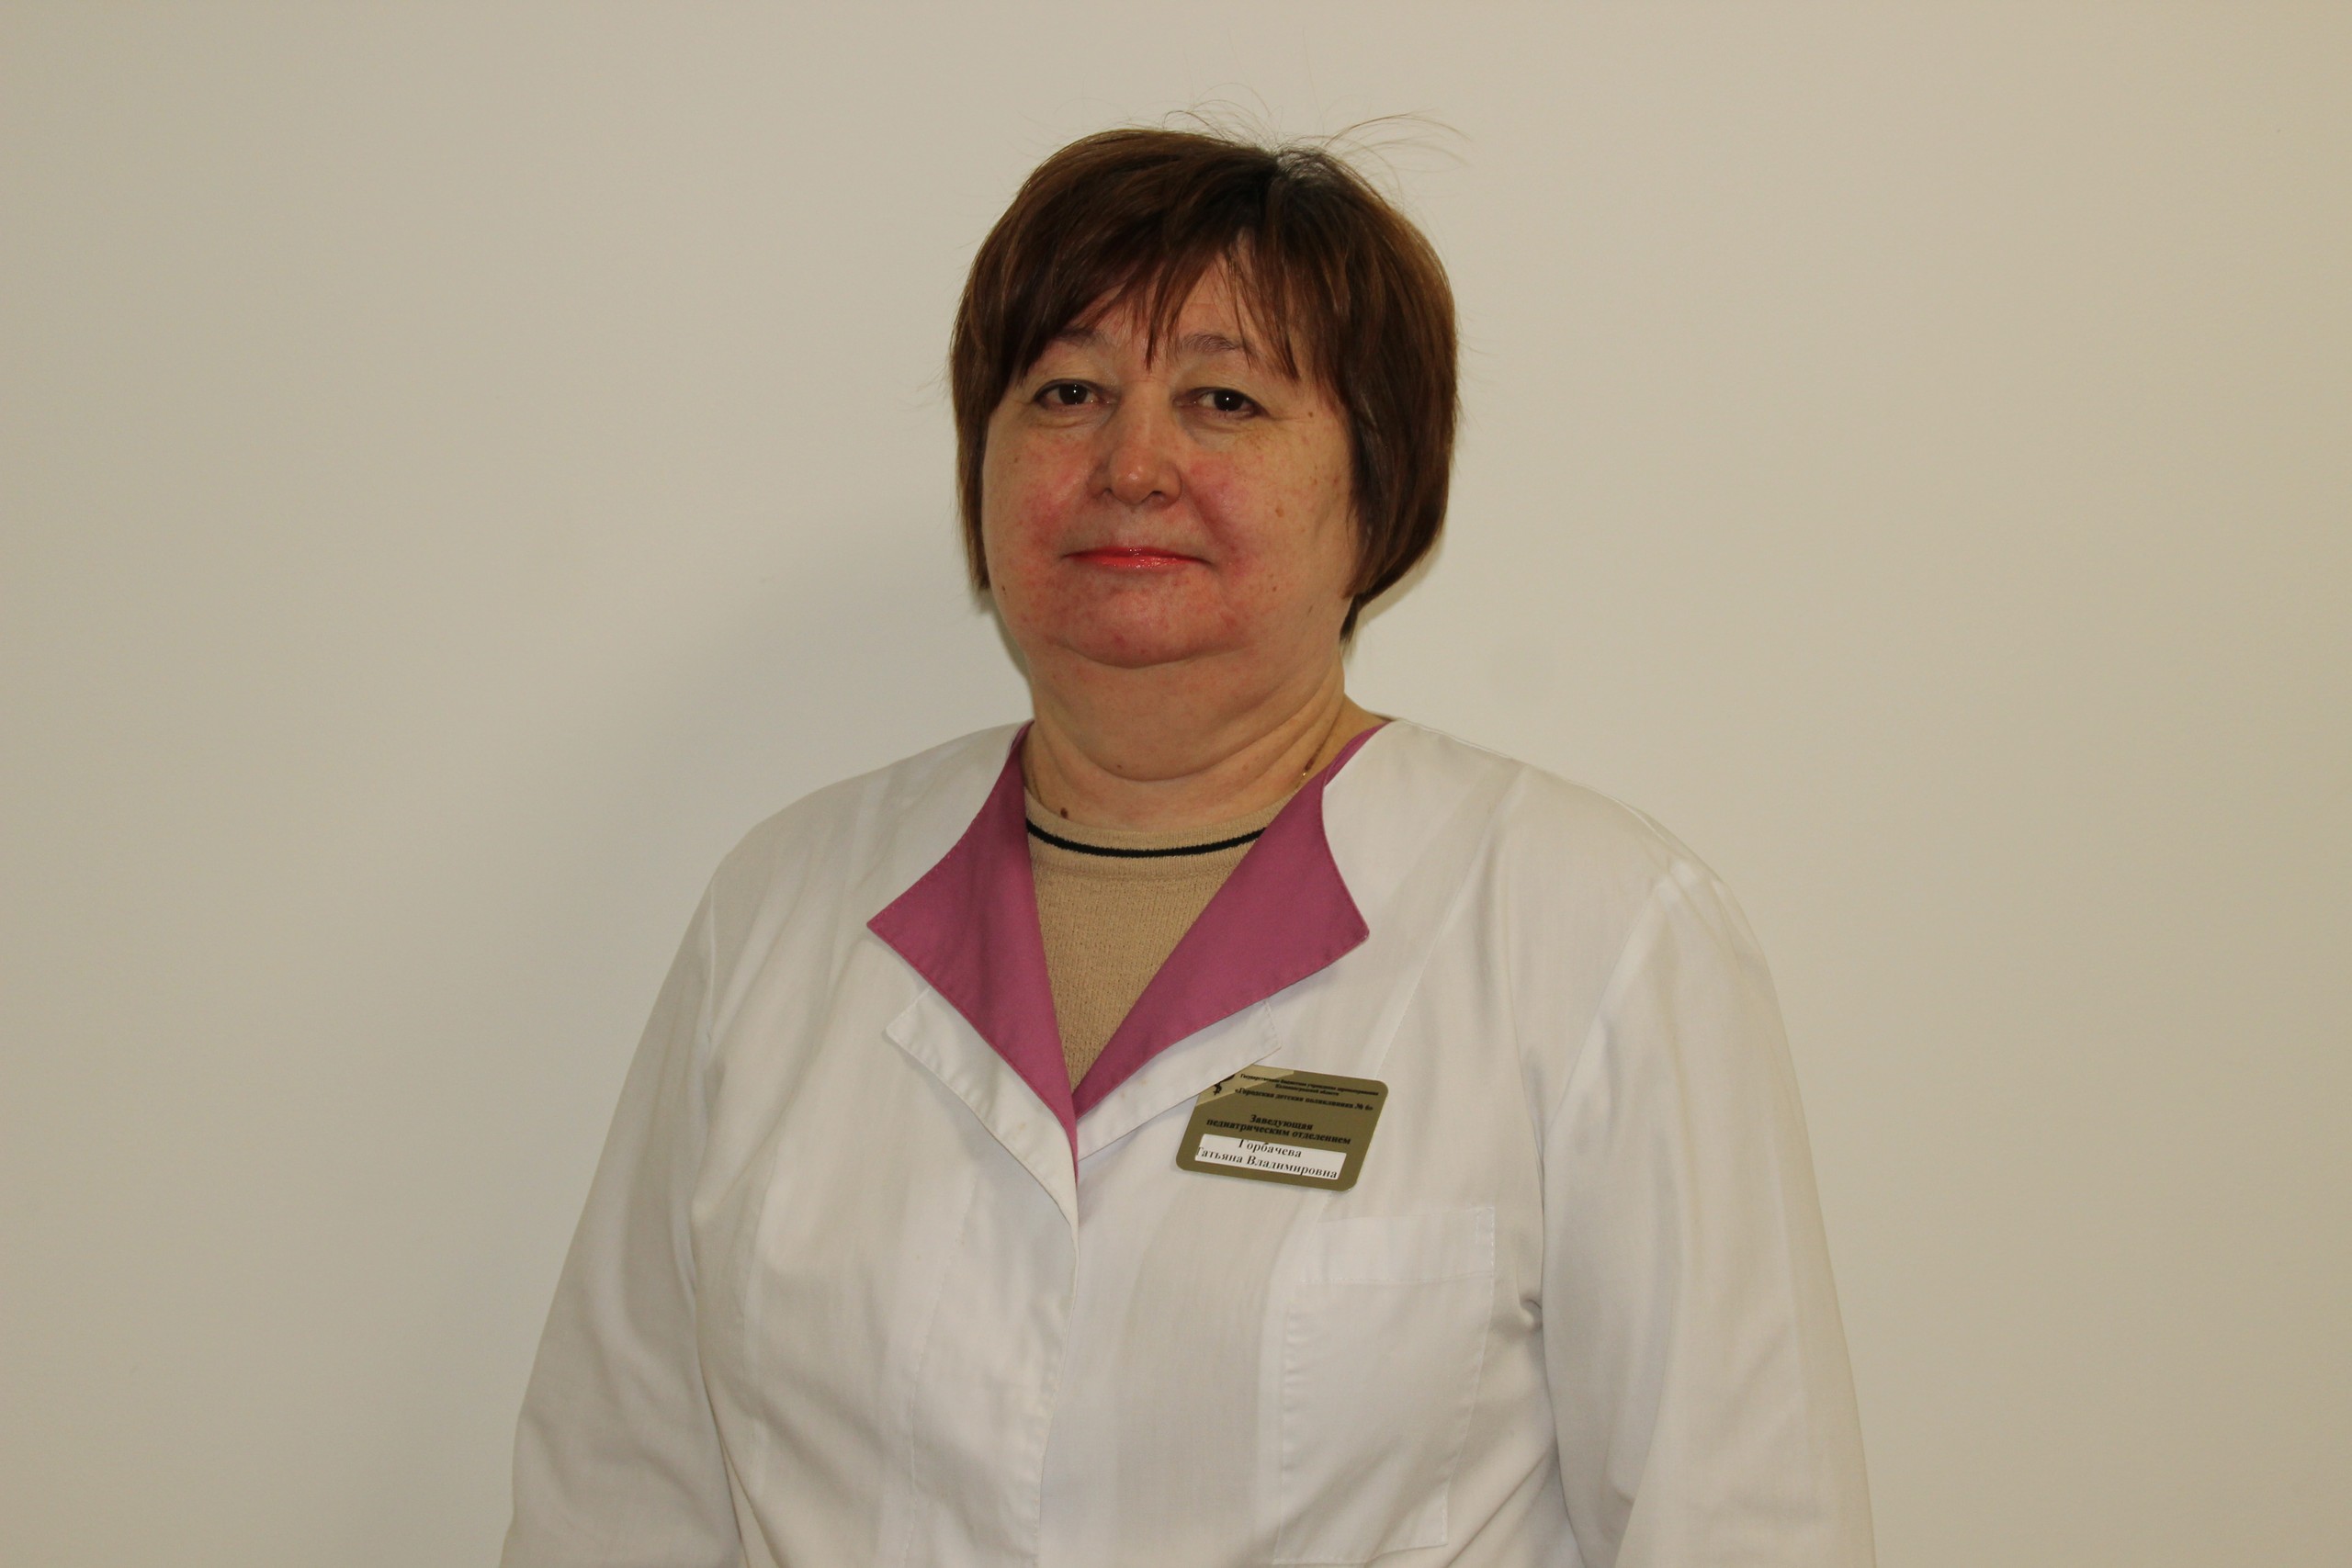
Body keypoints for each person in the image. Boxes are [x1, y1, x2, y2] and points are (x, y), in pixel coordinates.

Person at [502, 127, 1873, 1568]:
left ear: (1379, 489)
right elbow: (619, 1494)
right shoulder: (784, 908)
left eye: (1225, 399)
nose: (1133, 464)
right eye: (1068, 392)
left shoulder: (1594, 932)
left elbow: (1743, 1527)